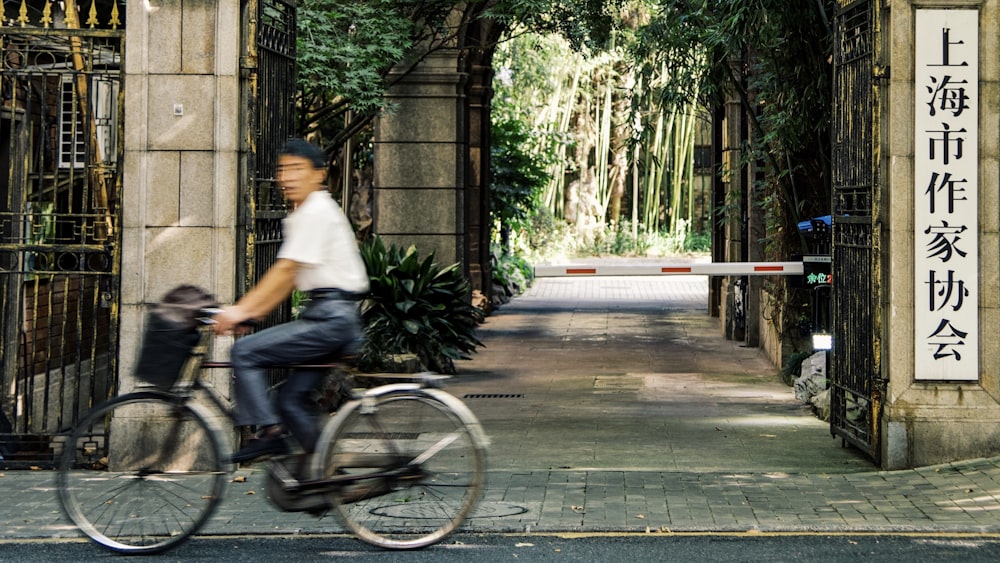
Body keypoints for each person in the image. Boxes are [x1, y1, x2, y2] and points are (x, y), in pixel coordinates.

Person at [212, 138, 369, 463]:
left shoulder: (316, 210)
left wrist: (240, 311)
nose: (286, 177)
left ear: (319, 174)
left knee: (244, 352)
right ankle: (325, 476)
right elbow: (290, 279)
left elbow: (285, 272)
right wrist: (251, 314)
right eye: (283, 170)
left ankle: (269, 435)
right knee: (290, 400)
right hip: (328, 316)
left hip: (330, 319)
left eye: (296, 169)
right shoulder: (306, 213)